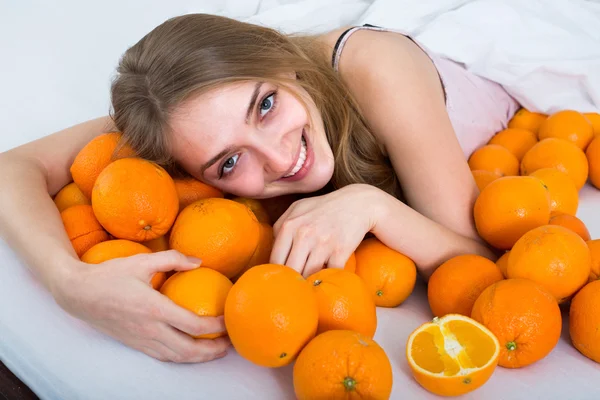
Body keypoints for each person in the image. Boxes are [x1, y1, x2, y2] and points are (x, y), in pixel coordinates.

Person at [0, 13, 517, 364]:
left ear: (280, 59)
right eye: (228, 162)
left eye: (265, 105)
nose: (279, 157)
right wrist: (68, 283)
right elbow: (11, 168)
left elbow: (478, 263)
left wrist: (369, 204)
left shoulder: (375, 69)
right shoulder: (180, 118)